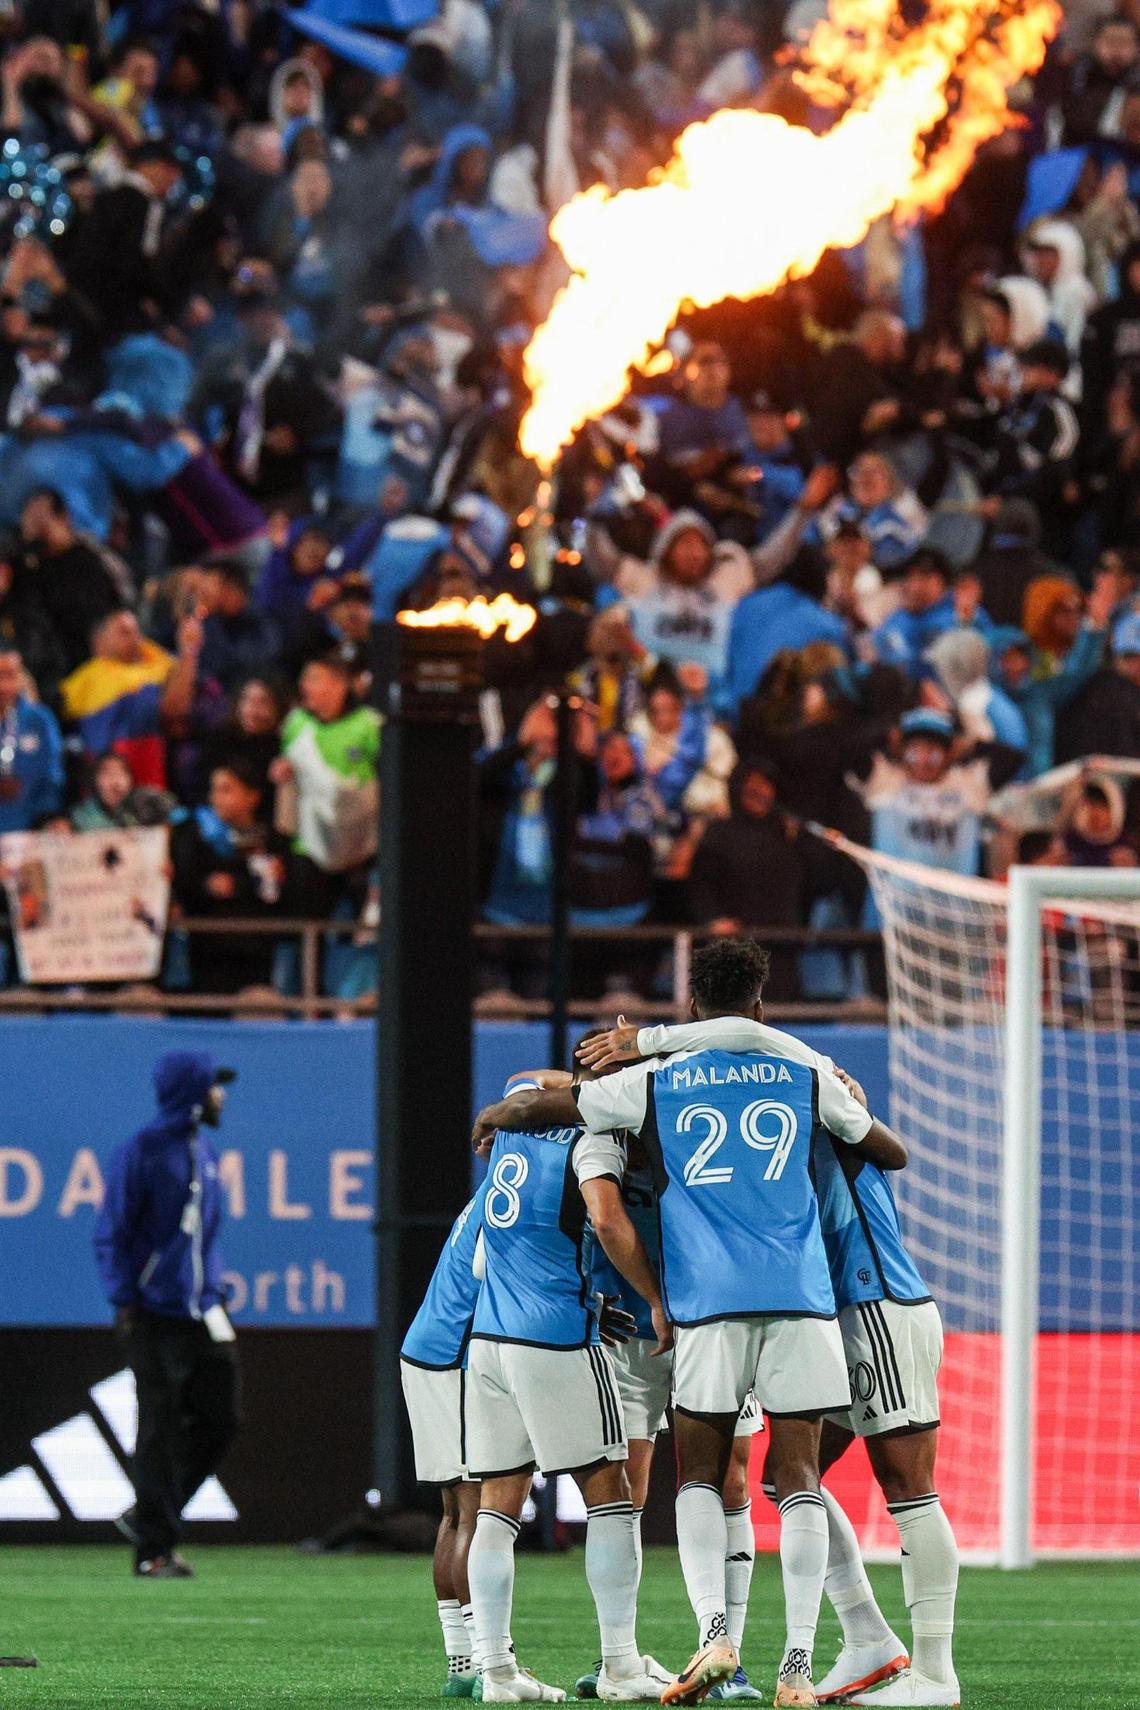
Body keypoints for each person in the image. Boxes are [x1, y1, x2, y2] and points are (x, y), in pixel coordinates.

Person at [473, 940, 907, 1707]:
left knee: (694, 1476)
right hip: (801, 1299)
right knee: (793, 1476)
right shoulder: (804, 1070)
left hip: (702, 1305)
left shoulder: (658, 1078)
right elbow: (888, 1152)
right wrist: (851, 1105)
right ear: (763, 1005)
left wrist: (504, 1109)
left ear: (692, 1005)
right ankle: (798, 1668)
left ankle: (712, 1638)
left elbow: (553, 1107)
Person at [581, 1017, 961, 1708]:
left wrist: (649, 1044)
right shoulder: (801, 1090)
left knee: (907, 1485)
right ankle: (868, 1640)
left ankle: (935, 1675)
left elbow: (890, 1149)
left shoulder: (812, 1089)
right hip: (823, 1311)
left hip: (874, 1300)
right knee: (793, 1482)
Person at [464, 1070, 674, 1704]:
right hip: (557, 1334)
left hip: (490, 1337)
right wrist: (655, 1300)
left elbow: (480, 1254)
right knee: (612, 1494)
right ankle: (619, 1664)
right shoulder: (596, 1134)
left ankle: (496, 1672)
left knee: (496, 1508)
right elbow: (608, 1223)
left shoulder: (513, 1128)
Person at [92, 1052, 241, 1578]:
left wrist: (214, 1286)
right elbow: (112, 1230)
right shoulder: (144, 1149)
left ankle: (150, 1514)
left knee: (220, 1419)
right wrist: (125, 1298)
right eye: (215, 1086)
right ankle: (153, 1550)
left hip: (202, 1310)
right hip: (153, 1312)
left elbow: (201, 1236)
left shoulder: (204, 1149)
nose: (222, 1095)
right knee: (157, 1425)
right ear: (193, 1091)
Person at [400, 1175, 494, 1698]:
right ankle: (487, 1662)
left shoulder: (487, 1189)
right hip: (453, 1357)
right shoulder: (515, 1190)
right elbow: (485, 1268)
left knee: (455, 1514)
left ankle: (461, 1665)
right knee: (476, 1513)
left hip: (427, 1347)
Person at [0, 645, 63, 833]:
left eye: (10, 675)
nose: (3, 685)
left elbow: (52, 776)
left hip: (28, 830)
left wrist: (44, 819)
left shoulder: (40, 719)